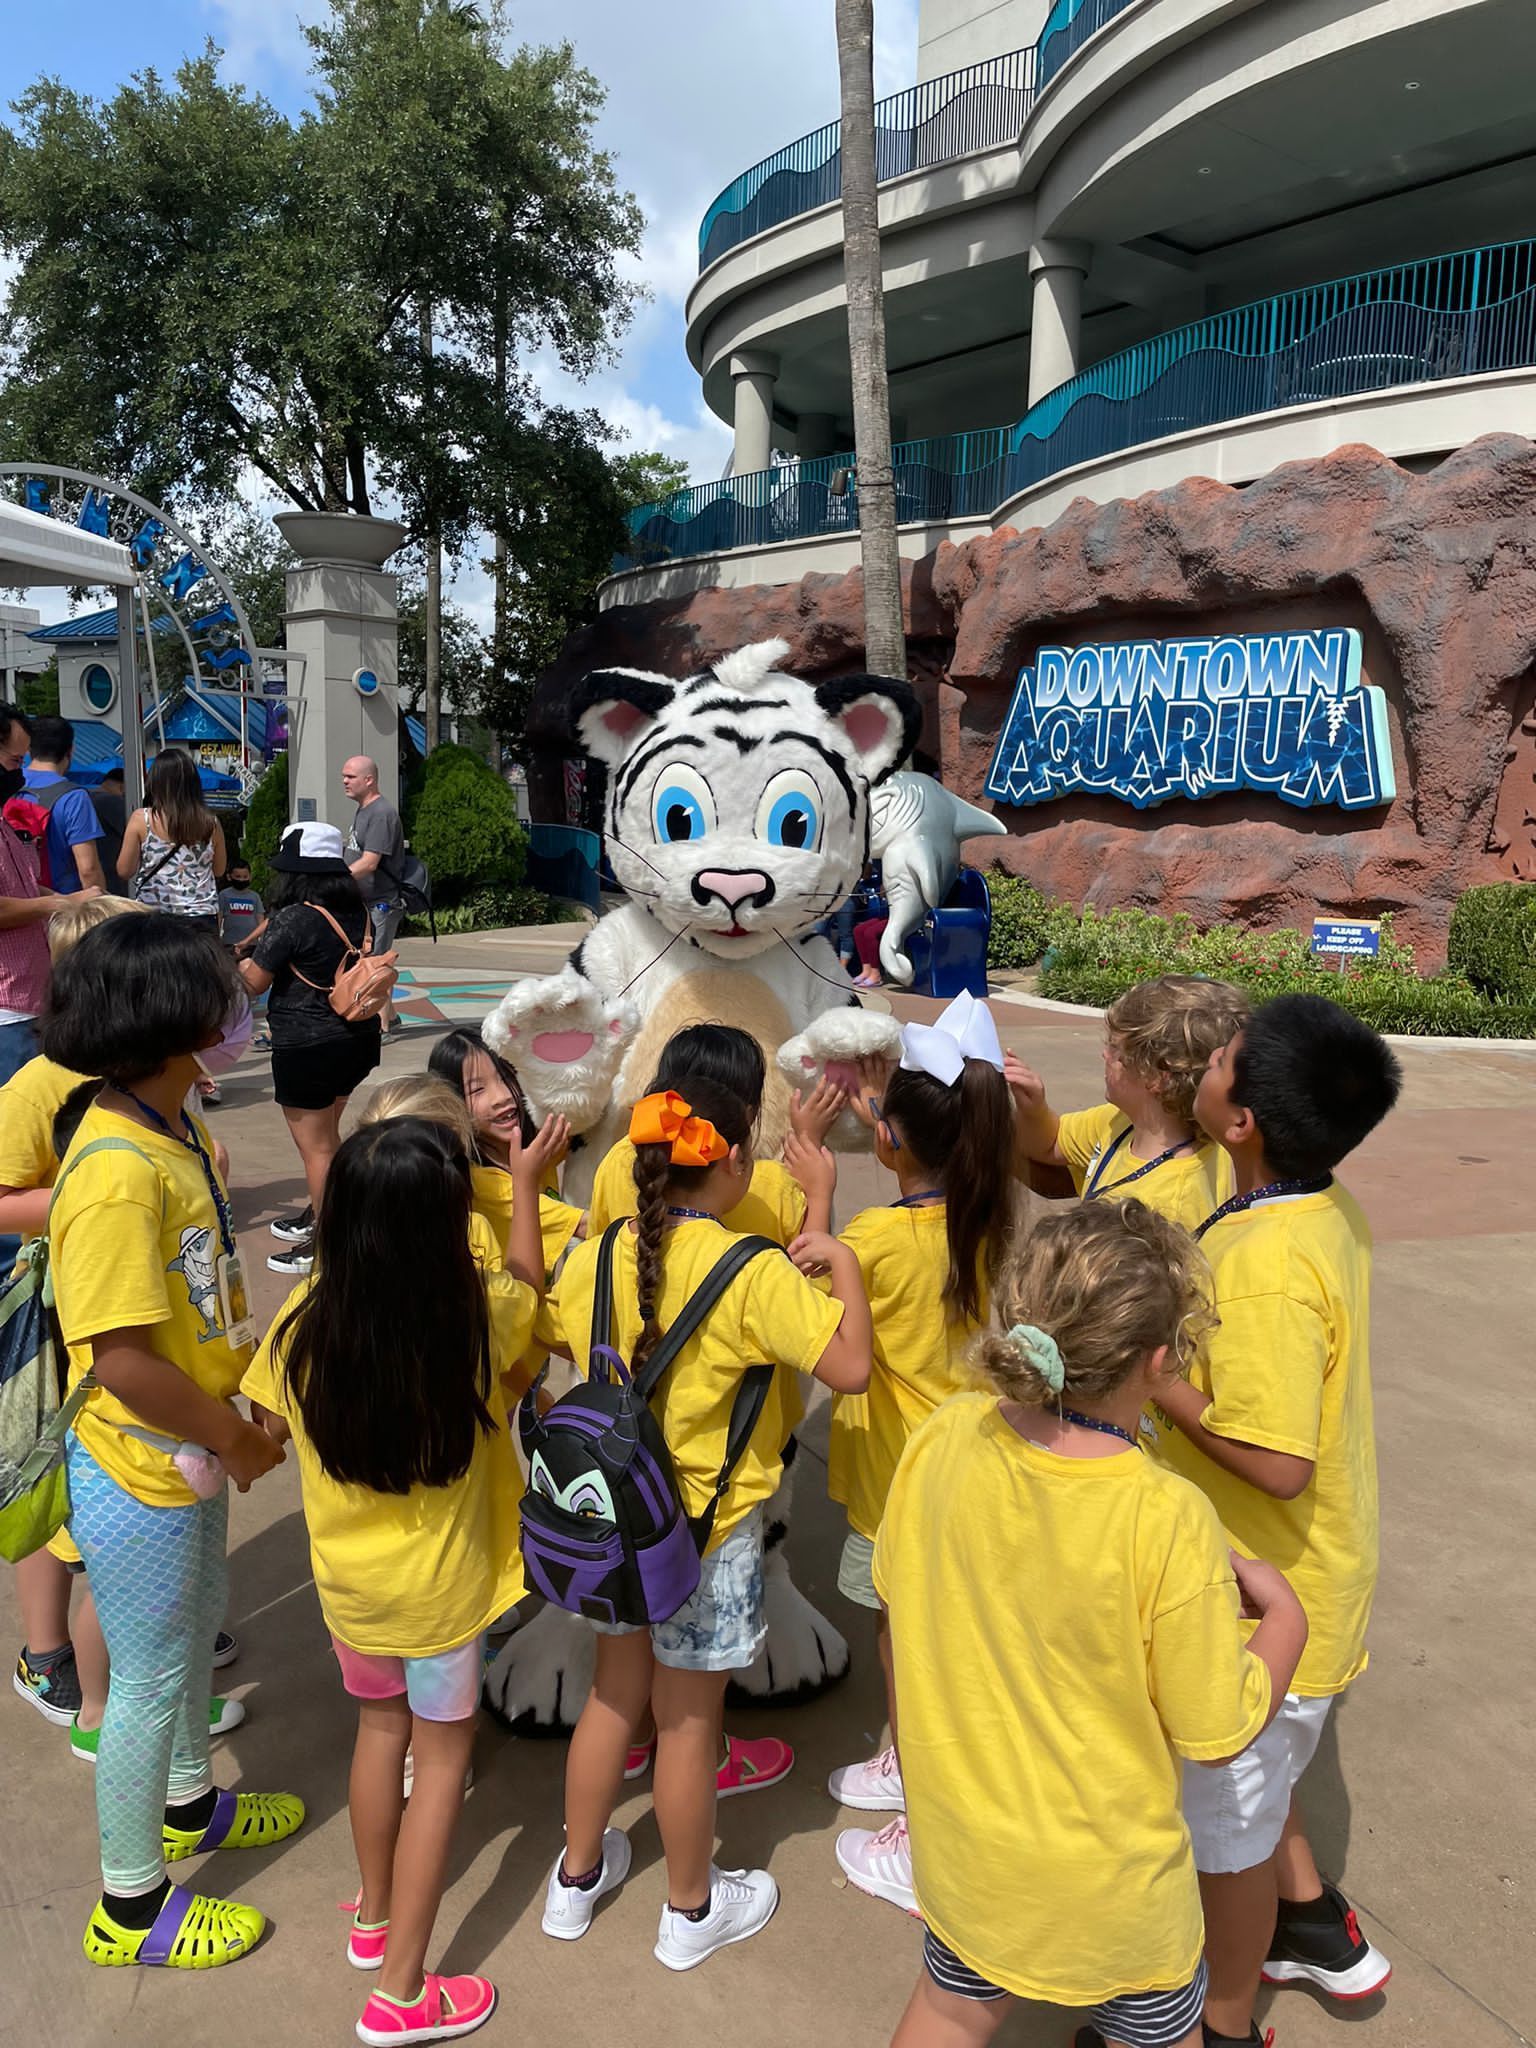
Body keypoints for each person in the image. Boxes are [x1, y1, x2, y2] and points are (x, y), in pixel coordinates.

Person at [879, 1199, 1306, 2048]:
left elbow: (899, 1603)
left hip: (967, 1860)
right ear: (1159, 1362)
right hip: (1116, 1901)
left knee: (951, 2010)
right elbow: (1215, 1732)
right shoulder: (1165, 1516)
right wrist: (1285, 1619)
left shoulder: (946, 1432)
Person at [536, 1081, 872, 1968]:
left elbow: (563, 1338)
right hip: (709, 1535)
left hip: (614, 1526)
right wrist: (840, 1261)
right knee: (689, 1724)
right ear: (732, 1163)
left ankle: (574, 1879)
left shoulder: (597, 1253)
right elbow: (851, 1368)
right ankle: (690, 1910)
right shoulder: (752, 1270)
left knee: (614, 1698)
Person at [244, 1111, 563, 2042]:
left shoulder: (303, 1321)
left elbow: (262, 1431)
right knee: (443, 1762)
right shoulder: (473, 1316)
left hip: (350, 1594)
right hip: (442, 1601)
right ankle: (402, 1990)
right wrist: (526, 1187)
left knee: (379, 1736)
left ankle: (374, 1913)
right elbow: (529, 1298)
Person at [42, 912, 300, 1972]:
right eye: (219, 993)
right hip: (141, 1465)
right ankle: (130, 1903)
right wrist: (234, 1439)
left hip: (185, 1452)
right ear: (169, 1021)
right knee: (147, 1684)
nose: (238, 1004)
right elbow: (119, 1360)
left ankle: (191, 1804)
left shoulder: (171, 1122)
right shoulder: (115, 1169)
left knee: (192, 1639)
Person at [1149, 993, 1401, 2045]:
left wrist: (1161, 1385)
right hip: (1306, 1575)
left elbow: (1281, 1463)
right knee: (1255, 1784)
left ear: (1244, 1121)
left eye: (1223, 1060)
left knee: (1225, 1840)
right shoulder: (1315, 1206)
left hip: (1271, 1593)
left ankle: (1222, 2021)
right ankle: (1313, 1926)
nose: (1207, 1062)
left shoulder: (1265, 1273)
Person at [583, 1023, 845, 1799]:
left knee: (620, 1667)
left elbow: (594, 1277)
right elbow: (813, 1303)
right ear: (741, 1130)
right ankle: (702, 1758)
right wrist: (818, 1190)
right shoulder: (764, 1187)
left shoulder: (620, 1165)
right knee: (693, 1690)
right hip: (725, 1459)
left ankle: (630, 1754)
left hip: (622, 1461)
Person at [809, 992, 1019, 1914]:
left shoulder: (871, 1243)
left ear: (890, 1141)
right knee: (949, 1637)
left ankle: (923, 1820)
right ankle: (905, 1760)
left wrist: (818, 1189)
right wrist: (884, 1114)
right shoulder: (994, 1216)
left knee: (910, 1644)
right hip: (981, 1471)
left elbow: (817, 1323)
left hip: (902, 1482)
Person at [240, 823, 382, 1277]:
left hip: (306, 1045)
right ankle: (326, 1210)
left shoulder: (295, 917)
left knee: (317, 1149)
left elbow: (253, 983)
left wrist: (239, 963)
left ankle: (328, 1242)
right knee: (328, 1136)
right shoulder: (358, 911)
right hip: (357, 1038)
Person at [1007, 974, 1249, 1234]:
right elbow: (1050, 1143)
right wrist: (1034, 1111)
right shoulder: (1122, 1122)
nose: (1105, 1054)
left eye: (1115, 1048)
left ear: (1157, 1077)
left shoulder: (1165, 1210)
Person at [429, 1027, 586, 1285]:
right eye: (477, 1090)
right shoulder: (484, 1184)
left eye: (506, 1077)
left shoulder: (531, 1147)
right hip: (513, 1306)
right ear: (451, 1104)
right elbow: (586, 1225)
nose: (501, 1096)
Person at [0, 700, 85, 1095]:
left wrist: (77, 900)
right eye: (15, 761)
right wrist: (60, 904)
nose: (20, 773)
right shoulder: (74, 799)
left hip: (30, 997)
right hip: (6, 1007)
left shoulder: (4, 819)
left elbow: (23, 888)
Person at [118, 747, 224, 928]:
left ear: (155, 781)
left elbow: (124, 870)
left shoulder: (142, 819)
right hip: (201, 916)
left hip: (154, 915)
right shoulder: (211, 823)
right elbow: (219, 870)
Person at [343, 754, 404, 1032]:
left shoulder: (381, 814)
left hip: (381, 903)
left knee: (376, 964)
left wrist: (336, 879)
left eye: (350, 776)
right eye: (344, 776)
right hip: (366, 902)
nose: (345, 781)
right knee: (370, 961)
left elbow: (369, 862)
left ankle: (382, 1027)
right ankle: (390, 1016)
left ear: (369, 780)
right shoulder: (364, 810)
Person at [21, 714, 106, 895]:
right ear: (71, 750)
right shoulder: (74, 797)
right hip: (63, 903)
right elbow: (88, 869)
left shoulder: (10, 786)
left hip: (18, 901)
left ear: (28, 748)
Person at [88, 766, 131, 896]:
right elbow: (132, 832)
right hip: (112, 872)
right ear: (122, 786)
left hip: (92, 868)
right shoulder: (112, 801)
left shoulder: (85, 798)